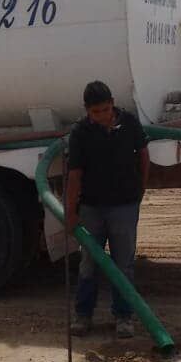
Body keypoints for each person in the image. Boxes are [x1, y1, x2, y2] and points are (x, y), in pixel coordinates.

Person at [64, 80, 150, 339]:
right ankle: (83, 316)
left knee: (123, 264)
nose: (102, 116)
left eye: (105, 109)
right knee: (89, 263)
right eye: (96, 112)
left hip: (124, 206)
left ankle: (123, 317)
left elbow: (144, 155)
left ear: (112, 103)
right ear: (87, 111)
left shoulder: (130, 123)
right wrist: (70, 211)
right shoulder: (80, 132)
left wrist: (140, 190)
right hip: (92, 208)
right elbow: (75, 174)